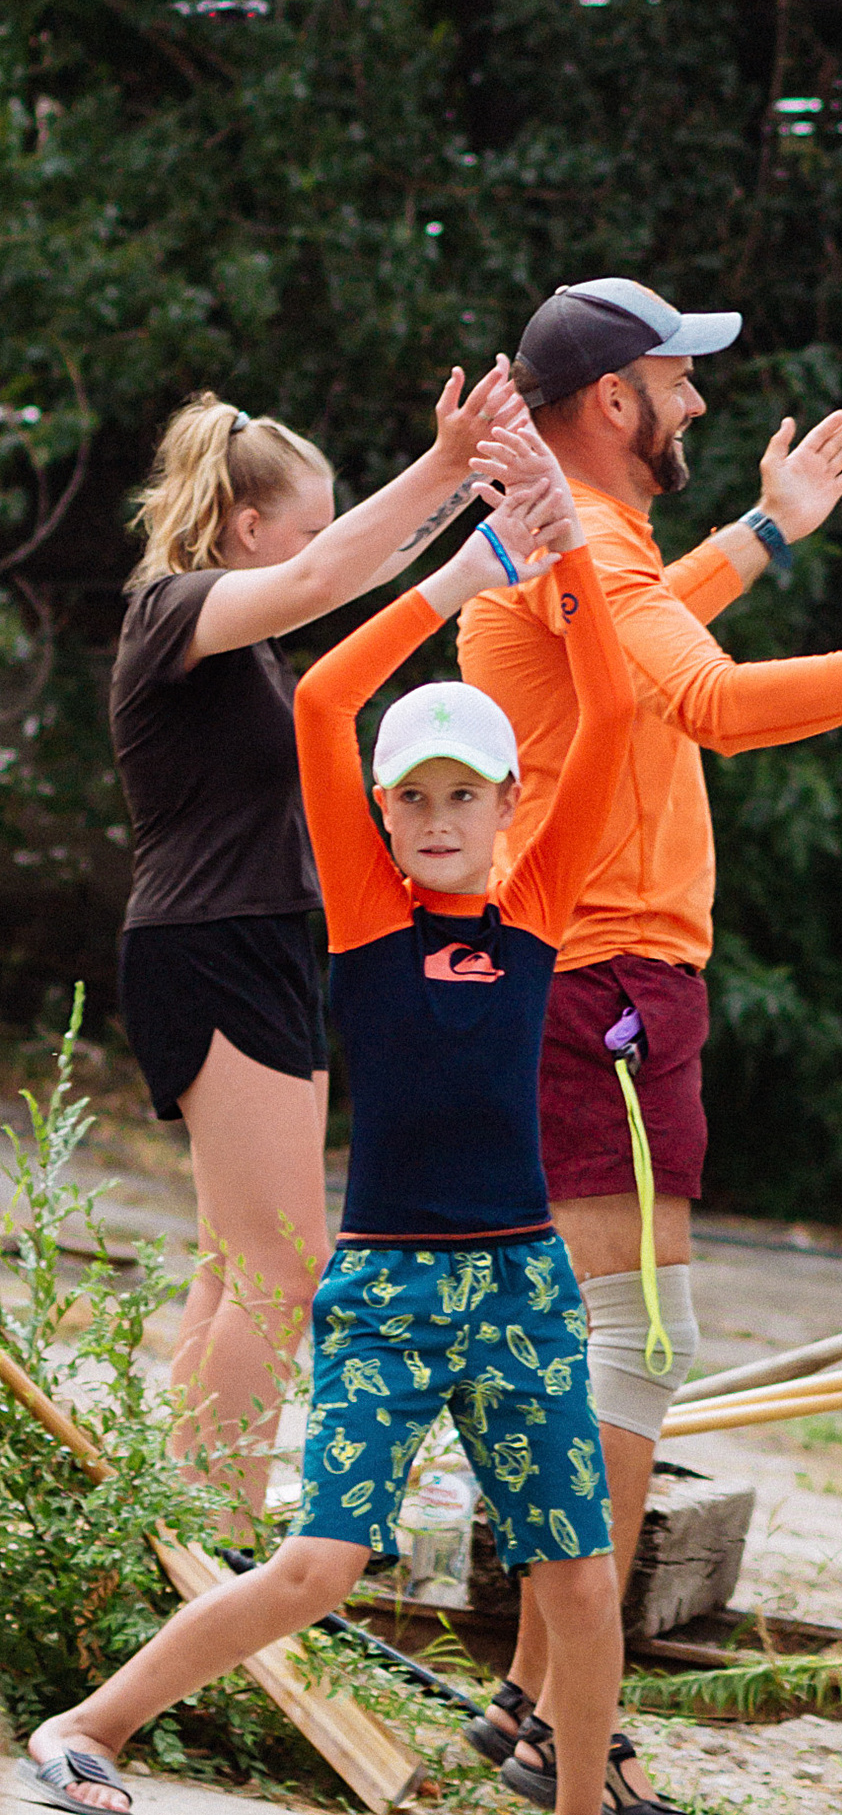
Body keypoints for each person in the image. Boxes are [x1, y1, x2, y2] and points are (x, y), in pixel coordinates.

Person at [456, 277, 842, 1815]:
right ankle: (570, 1726)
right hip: (606, 983)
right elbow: (714, 706)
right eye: (680, 379)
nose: (700, 404)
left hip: (580, 979)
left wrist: (766, 533)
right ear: (614, 401)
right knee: (630, 1353)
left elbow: (645, 645)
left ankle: (532, 1695)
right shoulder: (593, 545)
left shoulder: (588, 547)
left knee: (605, 1349)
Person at [30, 473, 657, 1815]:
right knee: (320, 1561)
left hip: (523, 1288)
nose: (437, 818)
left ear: (508, 804)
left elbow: (616, 712)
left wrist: (566, 559)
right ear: (380, 812)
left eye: (464, 795)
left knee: (577, 1578)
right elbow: (322, 700)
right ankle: (86, 1728)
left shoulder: (537, 905)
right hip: (388, 1289)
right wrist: (458, 576)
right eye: (413, 797)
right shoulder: (369, 913)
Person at [109, 369, 556, 1526]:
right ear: (247, 526)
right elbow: (326, 580)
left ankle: (178, 1530)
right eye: (309, 526)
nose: (329, 548)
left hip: (258, 946)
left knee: (238, 1262)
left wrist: (465, 526)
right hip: (209, 945)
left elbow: (341, 579)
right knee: (282, 1266)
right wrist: (450, 472)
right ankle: (209, 1539)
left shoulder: (240, 647)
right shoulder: (173, 610)